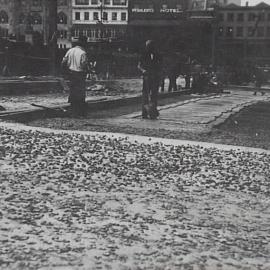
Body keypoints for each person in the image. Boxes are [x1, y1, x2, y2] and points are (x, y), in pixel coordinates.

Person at [61, 35, 89, 117]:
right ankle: (80, 112)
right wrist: (87, 70)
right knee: (80, 93)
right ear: (83, 44)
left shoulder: (70, 51)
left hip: (71, 74)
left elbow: (63, 63)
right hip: (80, 74)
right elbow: (84, 65)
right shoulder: (83, 53)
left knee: (73, 92)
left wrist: (65, 72)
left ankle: (72, 111)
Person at [138, 40, 162, 119]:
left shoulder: (157, 54)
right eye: (148, 46)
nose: (150, 47)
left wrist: (159, 74)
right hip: (147, 76)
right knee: (145, 94)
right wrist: (143, 70)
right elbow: (139, 65)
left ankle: (153, 113)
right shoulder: (143, 54)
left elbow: (160, 65)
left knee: (154, 94)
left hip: (155, 77)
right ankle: (144, 113)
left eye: (151, 46)